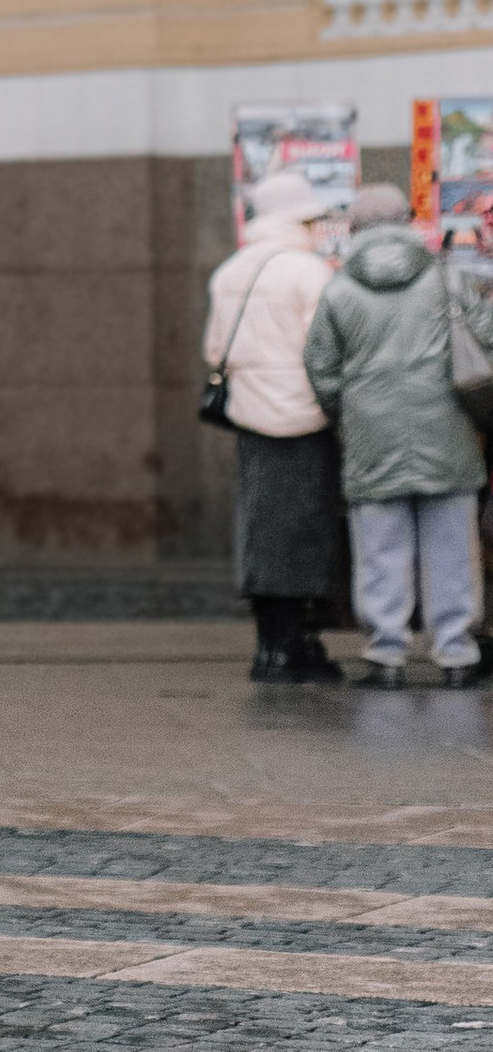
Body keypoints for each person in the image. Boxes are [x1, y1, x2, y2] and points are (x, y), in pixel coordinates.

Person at [305, 179, 488, 687]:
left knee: (380, 547)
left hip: (371, 431)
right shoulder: (446, 278)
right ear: (407, 222)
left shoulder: (338, 288)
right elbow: (487, 339)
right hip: (445, 426)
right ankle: (455, 652)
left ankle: (386, 653)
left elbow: (320, 366)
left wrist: (348, 412)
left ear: (356, 228)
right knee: (452, 544)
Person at [203, 168, 345, 684]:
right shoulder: (309, 272)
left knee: (262, 530)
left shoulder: (228, 272)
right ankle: (293, 645)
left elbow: (215, 351)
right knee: (307, 531)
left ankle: (269, 644)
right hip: (307, 420)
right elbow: (326, 352)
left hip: (250, 421)